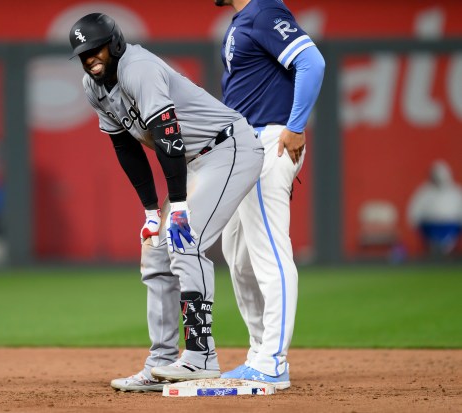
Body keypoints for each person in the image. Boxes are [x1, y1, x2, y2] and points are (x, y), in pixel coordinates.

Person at [68, 13, 265, 392]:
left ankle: (201, 355)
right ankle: (160, 364)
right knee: (157, 252)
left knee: (183, 239)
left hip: (228, 148)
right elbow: (125, 147)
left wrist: (177, 207)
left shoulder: (137, 67)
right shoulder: (93, 87)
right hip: (194, 163)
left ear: (116, 43)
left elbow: (167, 134)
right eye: (83, 53)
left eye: (96, 48)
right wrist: (148, 212)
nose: (90, 57)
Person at [213, 0, 325, 390]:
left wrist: (295, 126)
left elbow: (312, 62)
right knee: (239, 256)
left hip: (267, 142)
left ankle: (272, 362)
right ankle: (259, 353)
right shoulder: (245, 18)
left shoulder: (263, 11)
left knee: (269, 253)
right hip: (244, 149)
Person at [407, 160, 462, 256]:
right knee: (434, 246)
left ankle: (446, 249)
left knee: (447, 245)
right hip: (430, 227)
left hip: (451, 226)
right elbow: (414, 212)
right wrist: (415, 225)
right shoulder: (423, 192)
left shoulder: (456, 192)